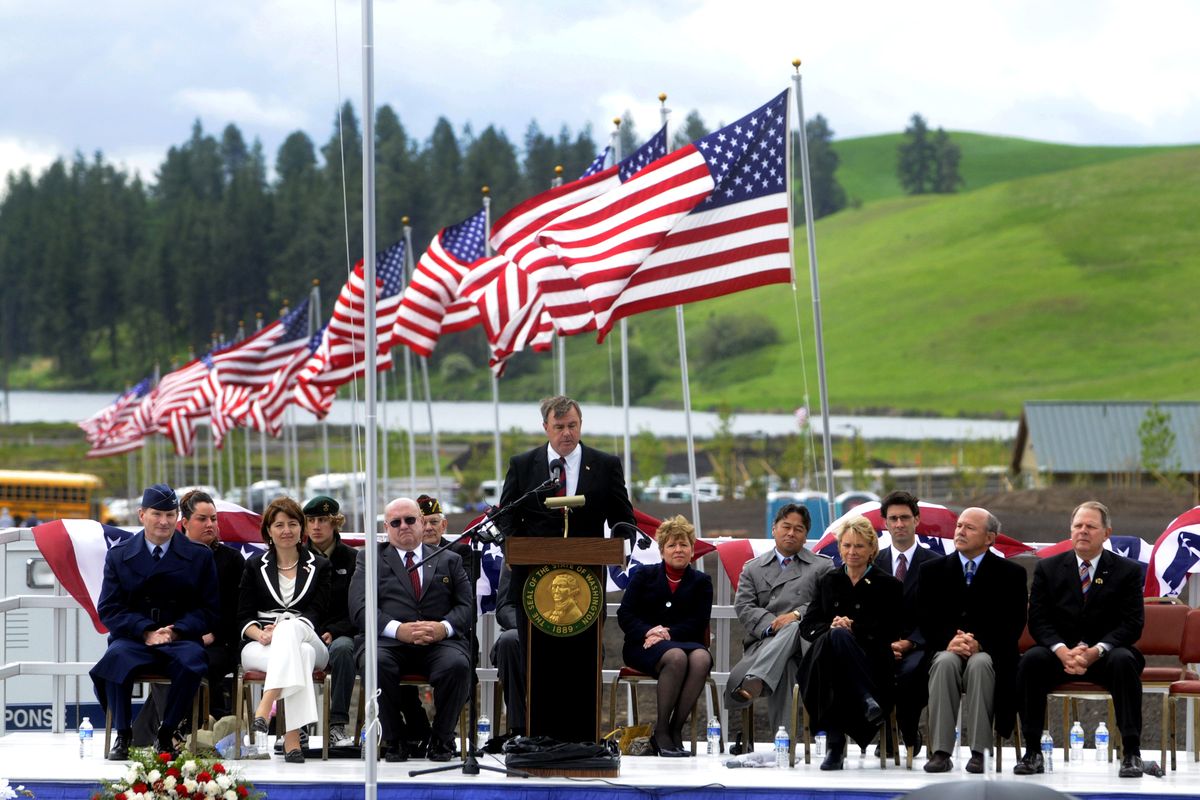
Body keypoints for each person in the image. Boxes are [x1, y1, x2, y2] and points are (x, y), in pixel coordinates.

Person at [1014, 501, 1147, 778]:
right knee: (1031, 661)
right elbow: (1038, 620)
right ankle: (1033, 752)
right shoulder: (1047, 569)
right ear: (1070, 530)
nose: (1083, 531)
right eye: (1078, 526)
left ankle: (1131, 753)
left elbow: (1132, 624)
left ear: (1106, 532)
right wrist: (1063, 651)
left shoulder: (1128, 571)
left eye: (1090, 526)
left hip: (1106, 654)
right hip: (1059, 654)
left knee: (1125, 660)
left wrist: (1096, 650)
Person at [90, 483, 218, 760]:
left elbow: (209, 609)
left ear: (177, 518)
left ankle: (166, 732)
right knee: (113, 660)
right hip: (135, 638)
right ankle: (123, 733)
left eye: (170, 515)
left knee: (192, 663)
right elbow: (109, 608)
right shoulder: (119, 555)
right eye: (157, 514)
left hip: (179, 638)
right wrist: (145, 631)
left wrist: (176, 631)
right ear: (141, 515)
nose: (164, 521)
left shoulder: (199, 556)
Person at [350, 497, 473, 763]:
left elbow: (466, 607)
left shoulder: (449, 559)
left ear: (421, 521)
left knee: (457, 666)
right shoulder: (368, 559)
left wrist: (443, 628)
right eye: (396, 522)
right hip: (389, 642)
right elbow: (359, 608)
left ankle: (442, 739)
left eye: (410, 519)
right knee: (375, 662)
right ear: (386, 527)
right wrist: (397, 630)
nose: (403, 526)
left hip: (439, 643)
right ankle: (395, 740)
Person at [917, 507, 1027, 774]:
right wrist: (949, 641)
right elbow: (925, 619)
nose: (960, 532)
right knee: (943, 663)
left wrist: (980, 643)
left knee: (980, 665)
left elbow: (1014, 623)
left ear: (990, 538)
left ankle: (979, 751)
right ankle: (941, 752)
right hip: (946, 648)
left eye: (969, 528)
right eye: (959, 526)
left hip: (992, 652)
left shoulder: (1011, 574)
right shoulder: (931, 570)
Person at [133, 490, 242, 746]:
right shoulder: (169, 556)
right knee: (165, 658)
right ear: (185, 522)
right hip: (178, 635)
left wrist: (212, 634)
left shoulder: (232, 560)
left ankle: (161, 733)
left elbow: (237, 611)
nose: (210, 525)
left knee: (195, 662)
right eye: (202, 519)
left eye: (214, 519)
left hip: (219, 640)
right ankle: (171, 731)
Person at [799, 515, 902, 769]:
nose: (852, 552)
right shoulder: (828, 581)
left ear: (871, 550)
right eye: (846, 545)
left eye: (859, 546)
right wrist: (834, 627)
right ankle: (865, 698)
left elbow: (892, 629)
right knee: (834, 641)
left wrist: (853, 627)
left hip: (872, 659)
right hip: (828, 656)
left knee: (837, 651)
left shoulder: (888, 585)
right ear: (840, 548)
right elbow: (808, 625)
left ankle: (836, 746)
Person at [237, 497, 331, 764]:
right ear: (268, 530)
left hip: (309, 637)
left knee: (294, 633)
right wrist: (262, 634)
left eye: (292, 524)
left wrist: (283, 629)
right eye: (279, 525)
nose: (286, 530)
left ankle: (266, 705)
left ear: (301, 528)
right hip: (262, 644)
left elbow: (316, 613)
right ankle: (292, 738)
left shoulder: (320, 566)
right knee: (298, 655)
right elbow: (243, 616)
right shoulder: (254, 566)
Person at [725, 503, 833, 731]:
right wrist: (774, 625)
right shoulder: (753, 568)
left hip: (807, 645)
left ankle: (758, 681)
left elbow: (826, 604)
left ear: (806, 537)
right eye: (786, 527)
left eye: (798, 529)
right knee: (784, 661)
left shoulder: (822, 566)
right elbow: (744, 605)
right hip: (766, 643)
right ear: (774, 529)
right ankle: (785, 742)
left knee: (794, 627)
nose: (791, 533)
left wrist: (794, 615)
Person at [617, 515, 714, 757]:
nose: (678, 550)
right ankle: (661, 732)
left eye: (684, 545)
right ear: (662, 551)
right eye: (672, 545)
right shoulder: (643, 575)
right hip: (643, 645)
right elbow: (625, 614)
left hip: (684, 639)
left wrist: (667, 632)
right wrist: (649, 631)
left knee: (701, 659)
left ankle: (675, 729)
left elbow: (698, 620)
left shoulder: (702, 581)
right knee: (677, 657)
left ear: (692, 551)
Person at [874, 490, 939, 754]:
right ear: (885, 524)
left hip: (920, 644)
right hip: (880, 643)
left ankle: (906, 728)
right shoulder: (873, 563)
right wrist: (884, 642)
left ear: (917, 520)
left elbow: (938, 613)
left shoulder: (936, 564)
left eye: (904, 517)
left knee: (911, 672)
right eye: (893, 519)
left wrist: (911, 642)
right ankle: (888, 732)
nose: (899, 524)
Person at [303, 495, 359, 750]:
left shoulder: (353, 559)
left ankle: (337, 724)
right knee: (297, 651)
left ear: (335, 523)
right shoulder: (297, 558)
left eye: (323, 520)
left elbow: (358, 605)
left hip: (340, 633)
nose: (316, 526)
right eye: (311, 520)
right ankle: (298, 727)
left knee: (345, 650)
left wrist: (335, 631)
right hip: (305, 632)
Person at [491, 567, 525, 736]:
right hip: (524, 630)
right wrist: (531, 630)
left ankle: (585, 731)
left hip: (570, 630)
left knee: (592, 645)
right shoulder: (520, 550)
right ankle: (519, 728)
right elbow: (505, 606)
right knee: (509, 640)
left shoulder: (581, 548)